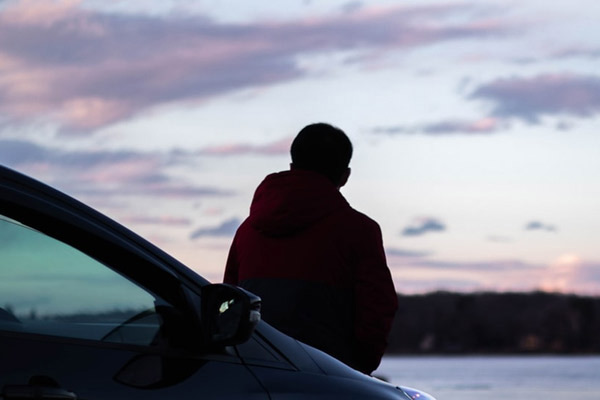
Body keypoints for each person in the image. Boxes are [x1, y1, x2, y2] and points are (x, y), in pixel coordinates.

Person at [223, 123, 397, 374]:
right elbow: (377, 308)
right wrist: (358, 371)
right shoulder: (360, 230)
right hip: (330, 377)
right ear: (344, 176)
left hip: (256, 374)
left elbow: (230, 303)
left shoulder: (247, 231)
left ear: (293, 167)